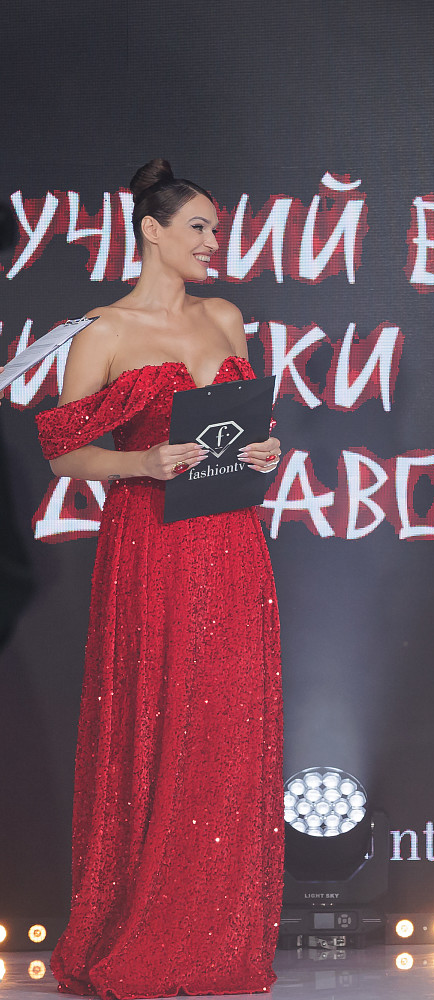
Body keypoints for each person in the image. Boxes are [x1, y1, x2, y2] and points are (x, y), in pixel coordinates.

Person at [36, 159, 284, 999]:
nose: (214, 242)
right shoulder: (103, 331)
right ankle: (139, 930)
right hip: (152, 544)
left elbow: (242, 430)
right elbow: (64, 451)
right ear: (152, 230)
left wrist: (263, 452)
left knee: (226, 731)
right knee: (159, 724)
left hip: (235, 546)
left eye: (217, 229)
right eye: (199, 228)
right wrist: (139, 462)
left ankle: (216, 936)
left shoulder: (226, 317)